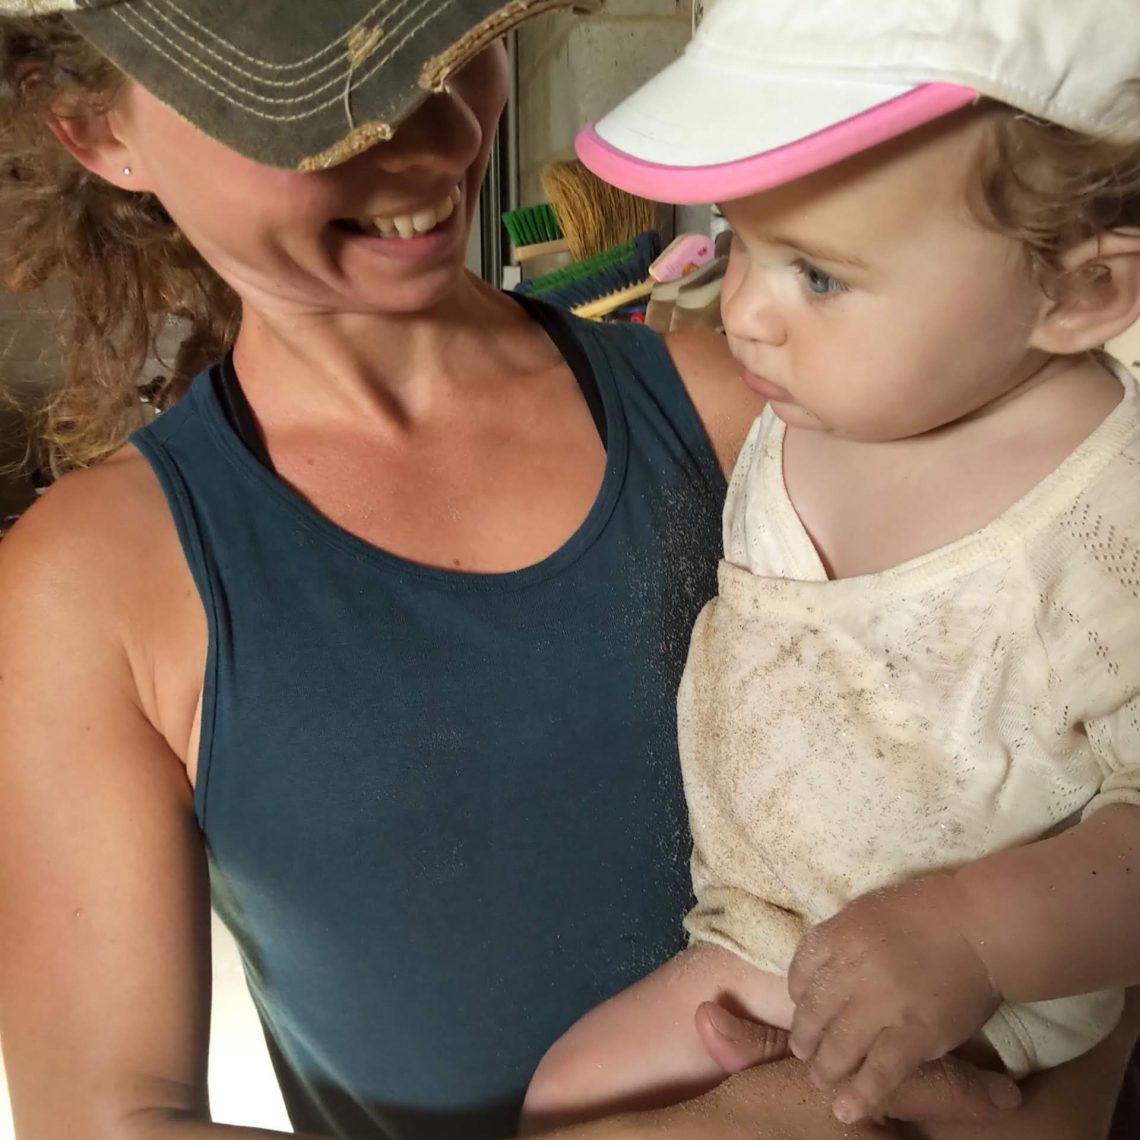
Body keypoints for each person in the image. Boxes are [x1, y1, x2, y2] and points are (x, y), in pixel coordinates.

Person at [0, 3, 1135, 1140]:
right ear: (98, 132)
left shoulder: (793, 427)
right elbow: (103, 1123)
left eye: (449, 54)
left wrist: (1054, 1092)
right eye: (328, 106)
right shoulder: (88, 590)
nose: (436, 139)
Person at [523, 0, 1140, 1134]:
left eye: (819, 275)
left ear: (1080, 292)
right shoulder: (815, 409)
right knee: (568, 1097)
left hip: (966, 1014)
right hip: (754, 937)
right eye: (741, 240)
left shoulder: (1109, 519)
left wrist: (974, 936)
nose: (744, 310)